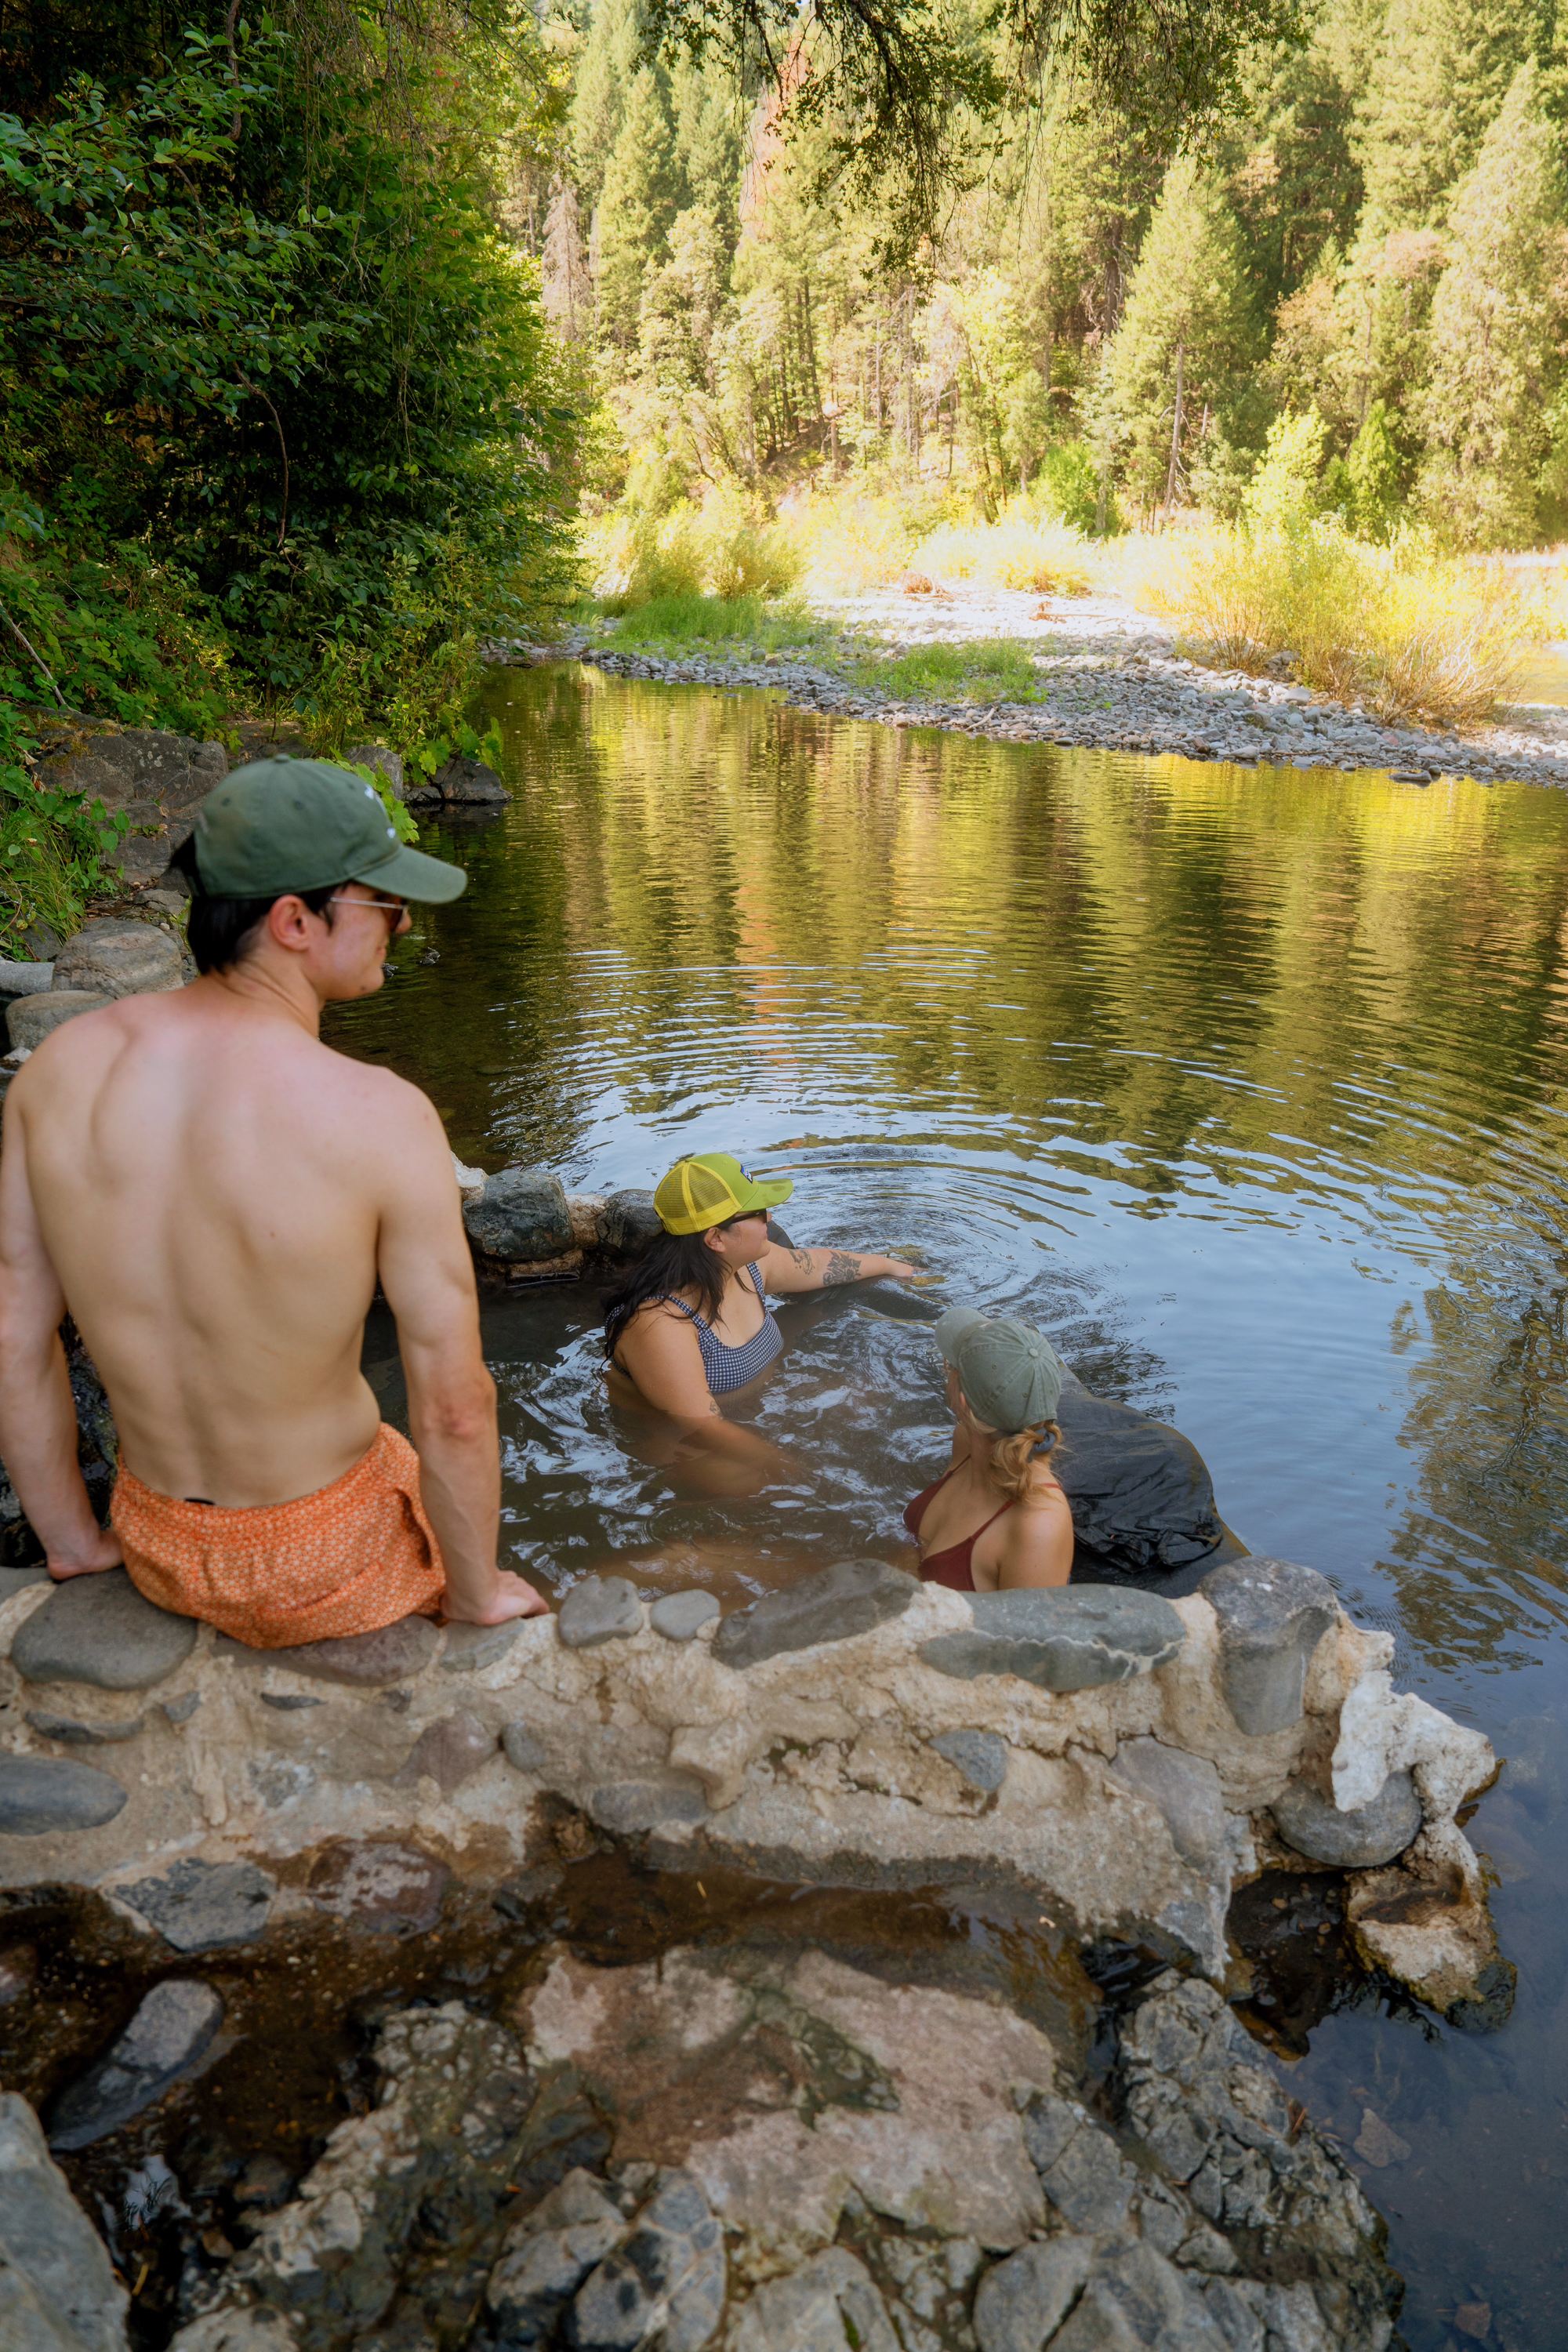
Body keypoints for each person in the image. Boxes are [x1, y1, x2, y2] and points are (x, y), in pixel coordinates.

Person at [0, 755, 547, 1646]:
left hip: (156, 1540)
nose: (404, 923)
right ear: (294, 920)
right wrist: (476, 1593)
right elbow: (454, 1405)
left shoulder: (58, 1073)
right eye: (385, 901)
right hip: (320, 1557)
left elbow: (15, 1341)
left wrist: (73, 1543)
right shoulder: (380, 1115)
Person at [604, 1151, 921, 1489]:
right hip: (682, 1444)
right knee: (749, 1482)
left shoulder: (748, 1268)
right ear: (716, 1238)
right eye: (757, 1212)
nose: (770, 1216)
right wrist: (795, 1469)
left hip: (756, 1404)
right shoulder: (660, 1323)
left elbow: (818, 1264)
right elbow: (703, 1426)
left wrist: (896, 1267)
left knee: (865, 1396)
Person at [906, 1306, 1074, 1592]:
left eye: (950, 1368)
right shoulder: (966, 1442)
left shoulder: (1038, 1526)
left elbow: (1029, 1622)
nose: (947, 1372)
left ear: (962, 1400)